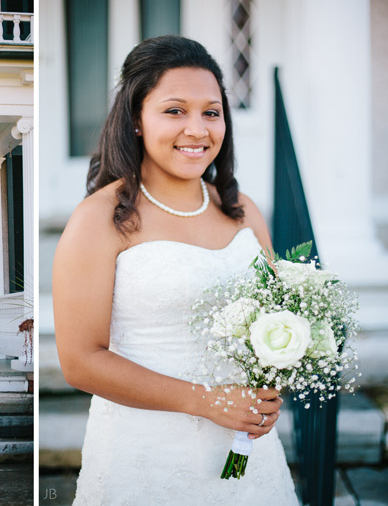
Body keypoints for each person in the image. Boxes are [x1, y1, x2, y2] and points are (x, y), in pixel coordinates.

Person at [52, 36, 298, 505]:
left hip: (247, 453)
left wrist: (278, 371)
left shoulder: (242, 210)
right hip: (147, 454)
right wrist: (208, 401)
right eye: (174, 111)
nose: (197, 129)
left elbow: (279, 317)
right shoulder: (101, 218)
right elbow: (80, 360)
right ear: (136, 121)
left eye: (211, 112)